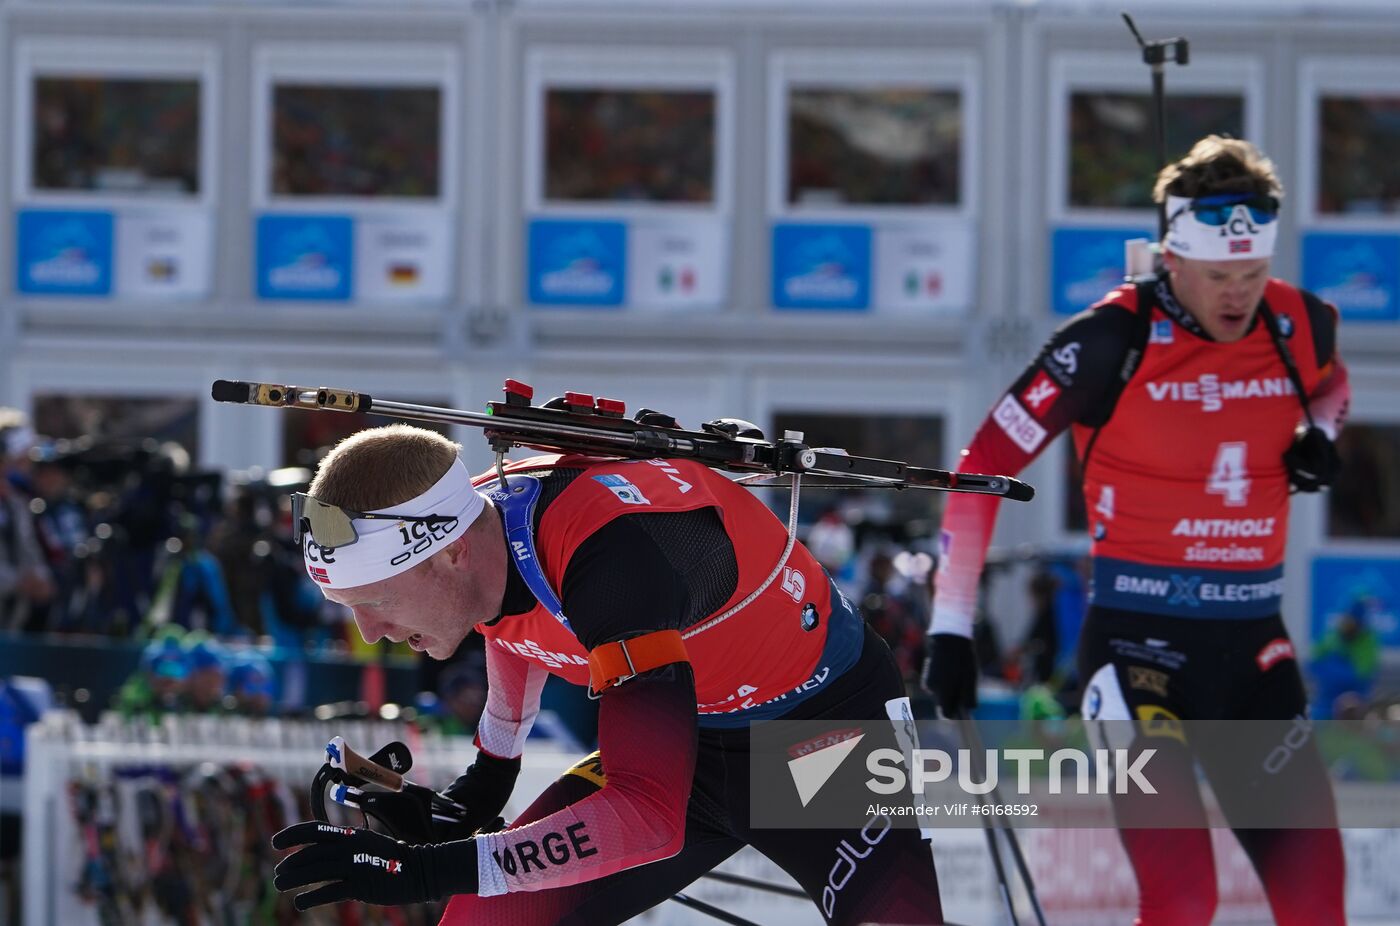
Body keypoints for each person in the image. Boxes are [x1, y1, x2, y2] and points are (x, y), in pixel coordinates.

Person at [270, 424, 945, 925]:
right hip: (693, 744)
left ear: (447, 556)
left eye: (375, 602)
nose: (369, 634)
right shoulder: (480, 533)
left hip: (820, 744)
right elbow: (510, 616)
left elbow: (648, 816)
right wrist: (478, 789)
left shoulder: (613, 559)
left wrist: (423, 870)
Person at [922, 136, 1349, 926]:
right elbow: (981, 462)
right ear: (1171, 260)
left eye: (1252, 275)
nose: (1237, 296)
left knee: (1317, 901)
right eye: (1218, 277)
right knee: (1185, 898)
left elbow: (1332, 385)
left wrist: (1323, 434)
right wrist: (950, 627)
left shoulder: (1299, 324)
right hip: (1136, 658)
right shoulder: (1108, 340)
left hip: (1255, 650)